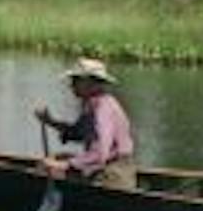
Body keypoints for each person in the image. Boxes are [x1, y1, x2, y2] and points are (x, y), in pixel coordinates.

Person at [33, 57, 137, 190]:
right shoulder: (92, 105)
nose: (71, 85)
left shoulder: (103, 109)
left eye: (76, 80)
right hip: (104, 169)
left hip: (113, 176)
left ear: (90, 83)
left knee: (50, 167)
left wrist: (65, 165)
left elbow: (100, 153)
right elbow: (77, 132)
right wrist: (50, 121)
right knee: (54, 160)